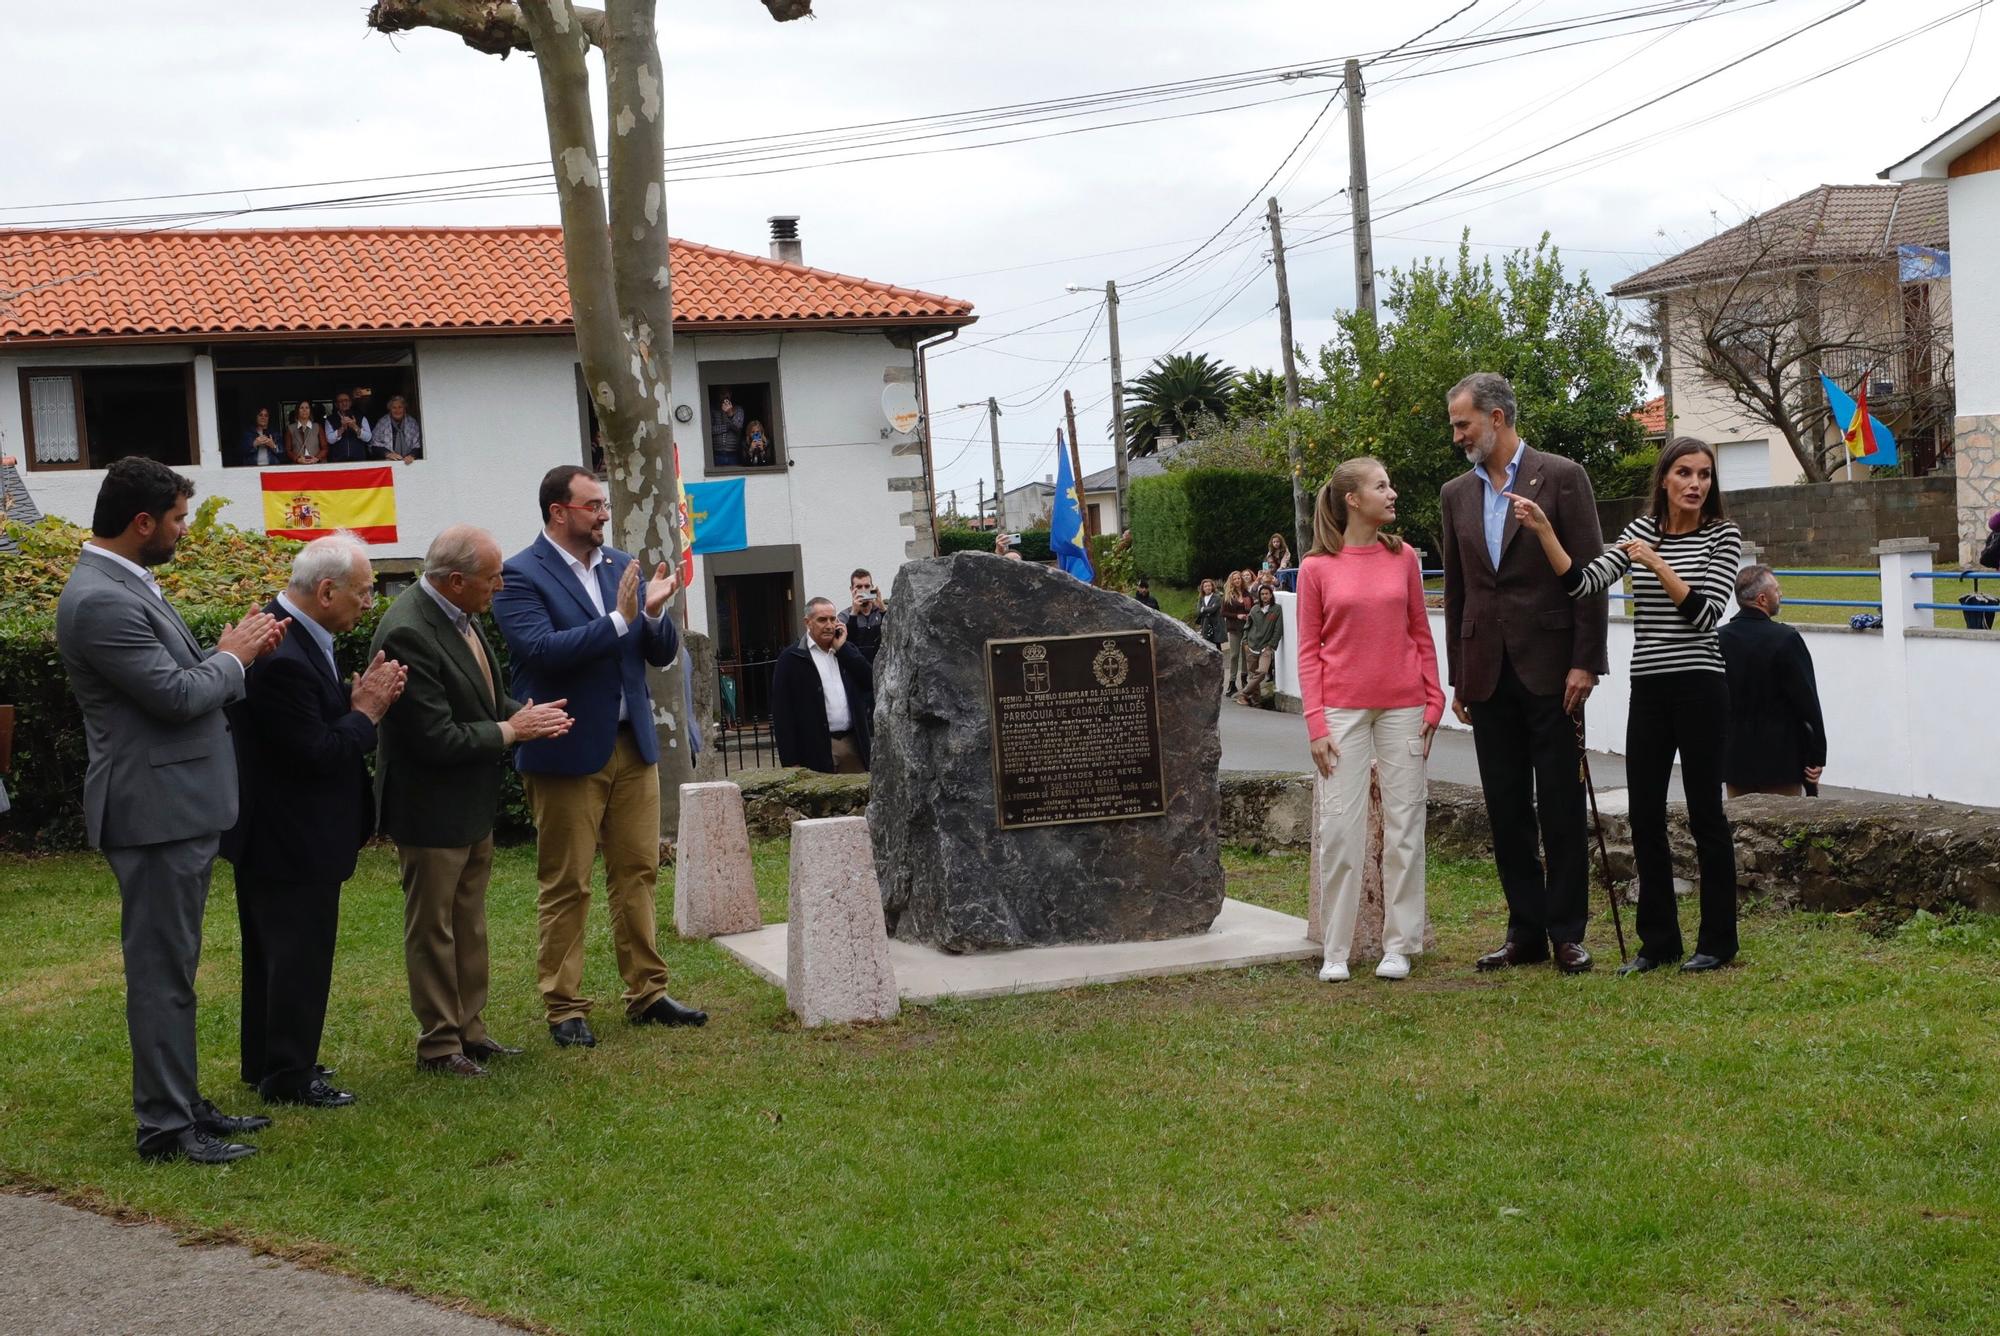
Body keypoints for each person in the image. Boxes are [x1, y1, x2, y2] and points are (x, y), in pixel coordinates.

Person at [54, 457, 288, 1163]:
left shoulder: (123, 584)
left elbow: (188, 680)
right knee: (161, 974)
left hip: (175, 806)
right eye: (180, 519)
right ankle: (164, 1126)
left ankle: (181, 1101)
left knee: (175, 968)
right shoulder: (100, 599)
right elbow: (179, 696)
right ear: (142, 522)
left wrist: (232, 658)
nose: (185, 531)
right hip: (151, 810)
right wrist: (234, 658)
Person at [1510, 435, 1743, 975]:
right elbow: (1583, 582)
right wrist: (1546, 533)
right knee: (1644, 816)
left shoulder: (1723, 536)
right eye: (1684, 473)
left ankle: (1718, 941)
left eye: (1704, 475)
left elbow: (1705, 615)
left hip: (1703, 685)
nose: (1695, 484)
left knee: (1707, 813)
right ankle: (1658, 943)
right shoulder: (1639, 531)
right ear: (1663, 479)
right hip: (1652, 688)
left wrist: (1656, 564)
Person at [492, 466, 706, 1051]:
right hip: (564, 748)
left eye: (604, 504)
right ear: (559, 512)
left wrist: (656, 614)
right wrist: (620, 618)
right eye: (592, 505)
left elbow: (656, 654)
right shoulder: (518, 575)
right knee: (567, 882)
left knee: (638, 871)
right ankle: (564, 1006)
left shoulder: (619, 566)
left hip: (631, 746)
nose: (604, 514)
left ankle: (648, 992)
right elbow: (541, 651)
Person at [371, 525, 573, 1075]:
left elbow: (483, 698)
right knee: (433, 928)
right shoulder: (409, 630)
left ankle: (471, 1031)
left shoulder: (462, 617)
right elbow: (434, 736)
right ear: (456, 581)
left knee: (468, 923)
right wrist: (514, 731)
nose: (501, 586)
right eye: (492, 577)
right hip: (431, 807)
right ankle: (439, 1044)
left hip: (468, 803)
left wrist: (527, 713)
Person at [222, 534, 406, 1108]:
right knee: (296, 958)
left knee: (272, 956)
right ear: (326, 591)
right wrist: (367, 712)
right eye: (363, 592)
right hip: (291, 838)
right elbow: (317, 752)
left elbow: (308, 727)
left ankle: (268, 1062)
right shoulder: (283, 654)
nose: (368, 603)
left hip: (276, 835)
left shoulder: (294, 633)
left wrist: (343, 705)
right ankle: (289, 1075)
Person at [1439, 371, 1609, 975]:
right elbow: (1457, 591)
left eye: (1464, 423)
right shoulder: (1455, 493)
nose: (1457, 434)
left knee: (1560, 803)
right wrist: (1460, 675)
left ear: (1498, 418)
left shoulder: (1562, 477)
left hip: (1553, 669)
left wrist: (1587, 661)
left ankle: (1567, 931)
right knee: (1506, 808)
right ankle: (1525, 931)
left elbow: (1590, 578)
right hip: (1486, 673)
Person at [1298, 458, 1443, 982]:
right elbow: (1309, 652)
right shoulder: (1316, 568)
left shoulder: (1402, 556)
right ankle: (1335, 950)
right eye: (1382, 485)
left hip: (1404, 708)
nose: (1392, 491)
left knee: (1407, 828)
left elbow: (1419, 630)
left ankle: (1398, 945)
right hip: (1341, 713)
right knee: (1339, 830)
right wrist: (1316, 723)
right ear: (1353, 500)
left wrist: (1434, 698)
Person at [1719, 565, 1827, 799]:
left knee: (1739, 827)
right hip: (1782, 759)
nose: (1781, 595)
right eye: (1777, 591)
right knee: (1787, 828)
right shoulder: (1786, 639)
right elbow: (1807, 700)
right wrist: (1818, 755)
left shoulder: (1719, 639)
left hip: (1736, 757)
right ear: (1762, 598)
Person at [771, 597, 873, 774]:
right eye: (822, 620)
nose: (829, 625)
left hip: (852, 743)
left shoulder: (846, 651)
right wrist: (790, 762)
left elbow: (870, 681)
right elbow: (782, 714)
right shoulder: (792, 658)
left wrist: (844, 651)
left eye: (833, 619)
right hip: (815, 748)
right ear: (807, 622)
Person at [1236, 583, 1282, 707]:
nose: (1264, 596)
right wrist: (1245, 642)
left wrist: (1271, 645)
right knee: (1253, 674)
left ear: (1271, 595)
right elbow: (1247, 626)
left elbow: (1278, 630)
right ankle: (1257, 703)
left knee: (1261, 672)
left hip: (1266, 647)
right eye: (1262, 594)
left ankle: (1243, 693)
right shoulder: (1254, 609)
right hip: (1251, 645)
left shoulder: (1276, 609)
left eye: (1267, 594)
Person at [839, 569, 888, 664]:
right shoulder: (844, 616)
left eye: (867, 586)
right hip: (857, 669)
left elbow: (894, 634)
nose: (863, 590)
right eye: (859, 587)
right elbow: (846, 646)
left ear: (872, 588)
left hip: (882, 666)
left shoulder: (882, 611)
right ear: (852, 590)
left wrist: (882, 609)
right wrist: (854, 613)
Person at [1220, 572, 1251, 696]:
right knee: (1234, 655)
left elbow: (1252, 607)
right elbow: (1223, 613)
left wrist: (1248, 615)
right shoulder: (1228, 595)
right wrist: (1237, 616)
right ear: (1231, 581)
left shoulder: (1246, 593)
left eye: (1239, 578)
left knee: (1245, 654)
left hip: (1246, 627)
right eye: (1235, 579)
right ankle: (1232, 681)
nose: (1237, 580)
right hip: (1233, 628)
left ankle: (1244, 678)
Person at [324, 390, 373, 464]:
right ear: (336, 404)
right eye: (340, 401)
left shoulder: (361, 417)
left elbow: (368, 438)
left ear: (350, 402)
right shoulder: (330, 419)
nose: (344, 403)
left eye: (346, 400)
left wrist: (355, 427)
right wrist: (342, 428)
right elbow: (330, 440)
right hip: (337, 461)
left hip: (359, 460)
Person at [372, 395, 422, 465]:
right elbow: (374, 445)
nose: (397, 410)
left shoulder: (412, 423)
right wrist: (388, 454)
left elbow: (418, 444)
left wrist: (412, 455)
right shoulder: (382, 423)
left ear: (404, 409)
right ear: (390, 409)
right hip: (389, 463)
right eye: (394, 408)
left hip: (409, 463)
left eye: (400, 407)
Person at [711, 389, 746, 467]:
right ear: (718, 394)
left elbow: (738, 428)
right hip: (716, 453)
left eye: (727, 392)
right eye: (722, 393)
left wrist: (730, 413)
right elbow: (710, 430)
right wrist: (728, 427)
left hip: (733, 453)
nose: (725, 395)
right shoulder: (713, 410)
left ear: (730, 394)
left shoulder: (738, 409)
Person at [285, 400, 326, 465]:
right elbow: (288, 450)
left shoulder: (317, 426)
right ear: (297, 411)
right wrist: (297, 459)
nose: (304, 410)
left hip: (316, 465)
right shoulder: (290, 428)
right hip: (298, 466)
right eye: (301, 408)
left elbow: (325, 448)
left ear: (310, 411)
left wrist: (316, 458)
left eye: (307, 408)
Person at [1193, 577, 1225, 649]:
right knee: (1208, 647)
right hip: (1205, 625)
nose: (1208, 588)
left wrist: (1203, 609)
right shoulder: (1201, 598)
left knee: (1217, 646)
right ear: (1203, 588)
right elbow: (1198, 611)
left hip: (1216, 625)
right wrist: (1206, 609)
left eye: (1209, 586)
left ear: (1212, 586)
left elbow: (1213, 609)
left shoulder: (1217, 597)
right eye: (1205, 586)